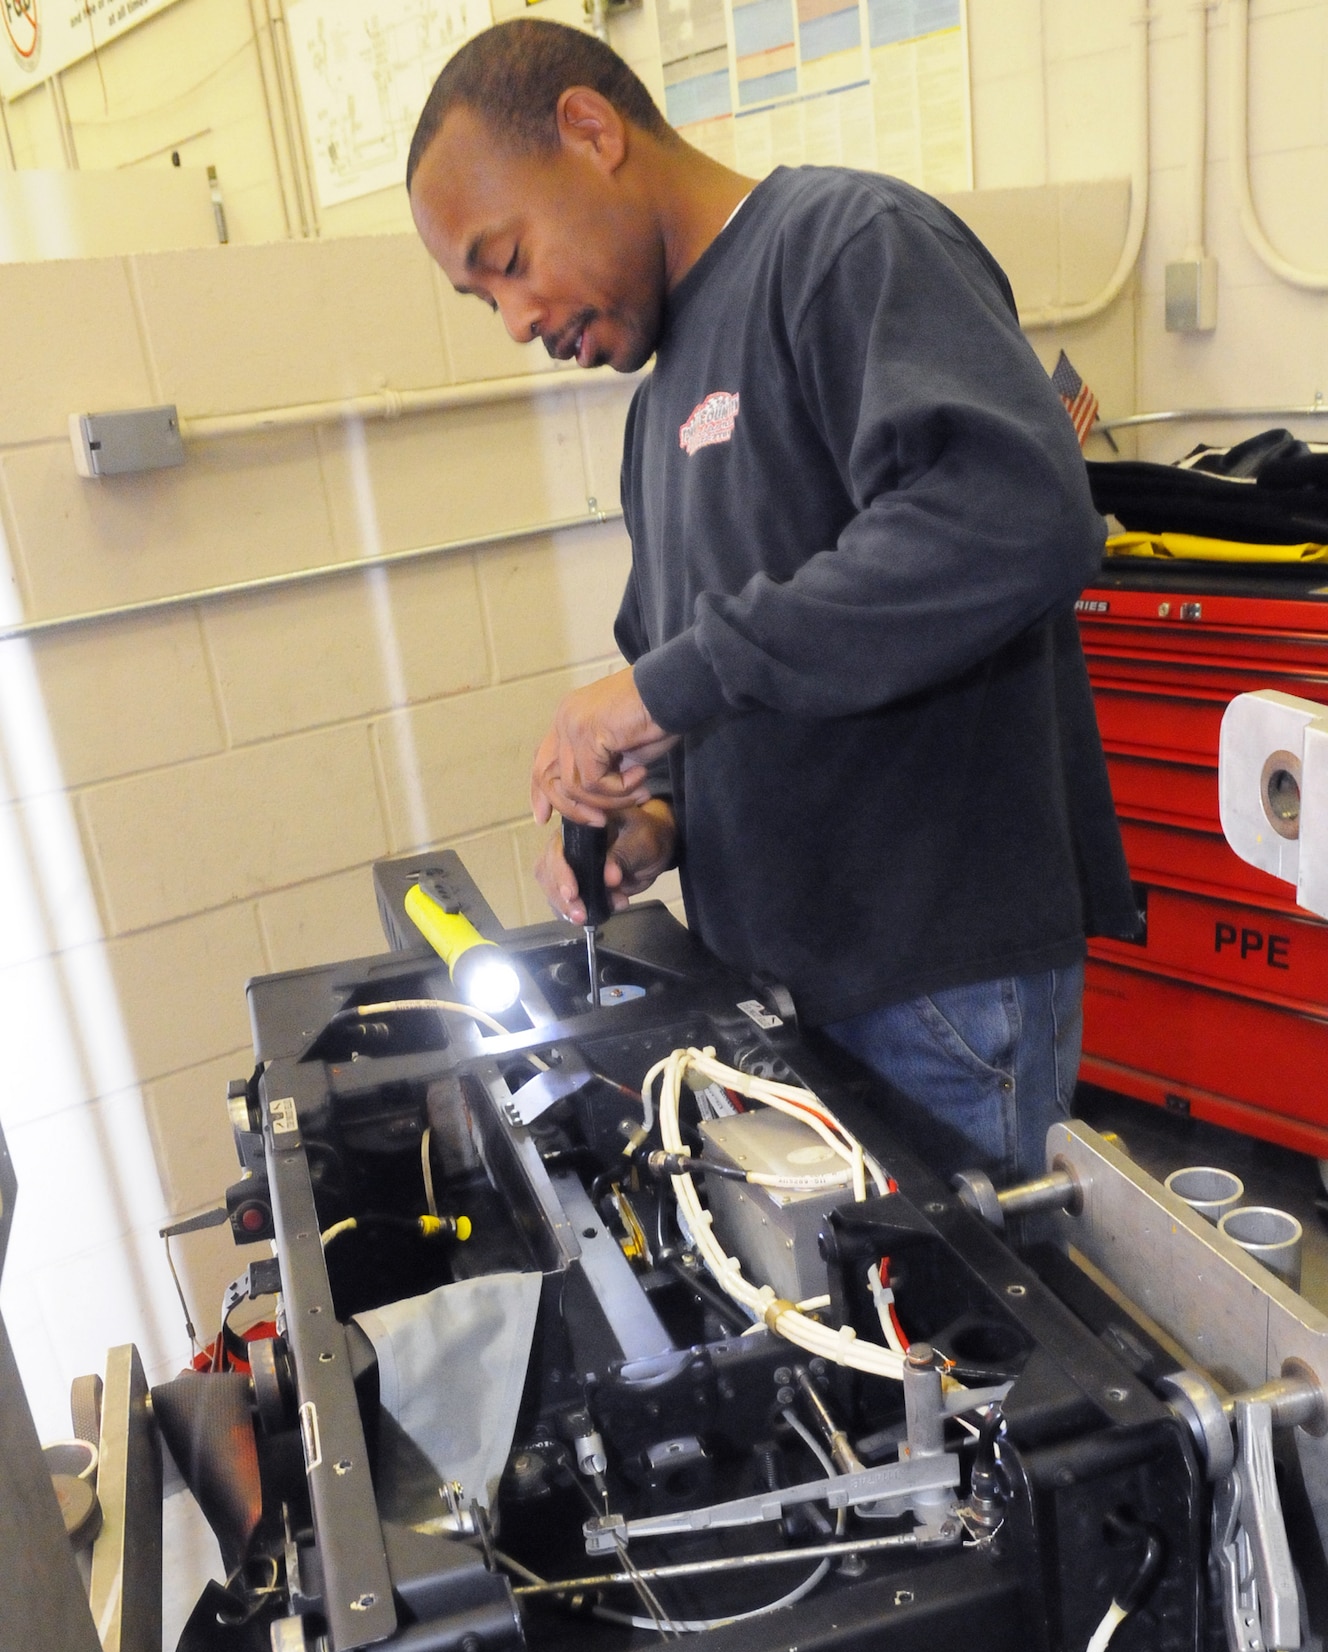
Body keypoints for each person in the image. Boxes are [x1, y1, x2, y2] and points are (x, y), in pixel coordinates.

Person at [406, 19, 1138, 1186]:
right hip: (770, 993)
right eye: (476, 295)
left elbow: (1010, 513)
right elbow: (723, 681)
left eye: (506, 258)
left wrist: (657, 689)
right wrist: (658, 822)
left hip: (930, 988)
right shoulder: (657, 412)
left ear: (589, 132)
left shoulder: (848, 247)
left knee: (969, 1353)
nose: (515, 319)